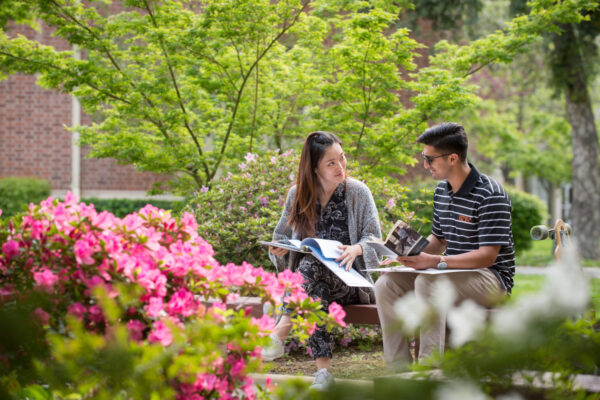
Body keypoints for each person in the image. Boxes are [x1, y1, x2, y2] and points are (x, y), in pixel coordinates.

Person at [374, 122, 515, 368]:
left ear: (452, 158)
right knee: (386, 284)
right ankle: (398, 371)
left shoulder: (490, 194)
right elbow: (438, 240)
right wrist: (406, 256)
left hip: (491, 279)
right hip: (452, 273)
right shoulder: (442, 191)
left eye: (430, 160)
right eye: (424, 158)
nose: (425, 165)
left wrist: (436, 262)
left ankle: (429, 372)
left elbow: (488, 257)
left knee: (428, 282)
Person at [265, 131, 382, 390]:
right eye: (331, 163)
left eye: (342, 158)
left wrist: (357, 249)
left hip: (351, 282)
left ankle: (280, 332)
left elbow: (374, 237)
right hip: (312, 285)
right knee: (315, 284)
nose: (341, 167)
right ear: (314, 168)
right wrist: (278, 250)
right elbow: (280, 238)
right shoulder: (298, 194)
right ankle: (324, 375)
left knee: (311, 264)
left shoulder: (358, 192)